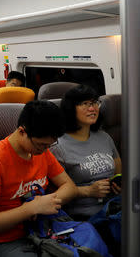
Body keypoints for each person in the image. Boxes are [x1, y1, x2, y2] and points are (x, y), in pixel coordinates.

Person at [0, 100, 77, 257]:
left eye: (49, 146)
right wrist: (31, 209)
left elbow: (70, 188)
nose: (45, 150)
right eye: (41, 145)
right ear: (22, 131)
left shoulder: (41, 151)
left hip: (45, 228)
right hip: (10, 240)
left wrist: (45, 203)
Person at [50, 84, 122, 221]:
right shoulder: (58, 146)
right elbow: (54, 194)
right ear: (71, 109)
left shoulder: (104, 137)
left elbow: (118, 171)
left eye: (95, 103)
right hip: (83, 215)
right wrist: (89, 191)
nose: (92, 108)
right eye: (85, 104)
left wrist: (118, 184)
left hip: (114, 207)